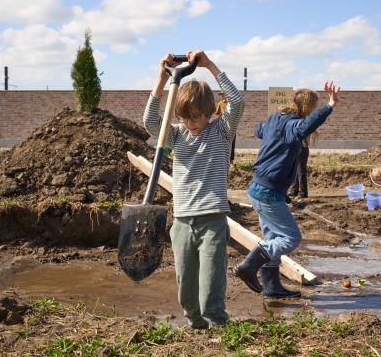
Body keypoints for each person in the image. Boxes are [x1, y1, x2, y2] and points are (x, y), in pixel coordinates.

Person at [143, 50, 244, 329]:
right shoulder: (176, 134)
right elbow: (151, 123)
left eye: (197, 116)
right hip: (183, 220)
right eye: (186, 117)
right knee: (185, 285)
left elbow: (237, 101)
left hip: (212, 218)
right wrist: (162, 76)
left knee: (211, 282)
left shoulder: (221, 131)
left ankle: (218, 326)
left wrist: (209, 65)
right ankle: (195, 326)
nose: (191, 123)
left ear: (209, 112)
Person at [234, 82, 340, 299]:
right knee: (291, 238)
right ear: (306, 109)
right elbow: (305, 126)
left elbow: (258, 130)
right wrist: (330, 105)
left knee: (273, 238)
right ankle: (247, 266)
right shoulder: (293, 126)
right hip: (268, 192)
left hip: (258, 187)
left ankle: (272, 288)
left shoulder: (275, 119)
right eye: (312, 108)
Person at [213, 91, 236, 165]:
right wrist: (217, 116)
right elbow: (217, 113)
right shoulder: (220, 103)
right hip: (223, 127)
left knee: (232, 144)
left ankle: (231, 161)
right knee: (223, 144)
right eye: (221, 95)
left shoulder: (233, 104)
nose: (222, 96)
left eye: (223, 95)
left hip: (231, 127)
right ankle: (222, 161)